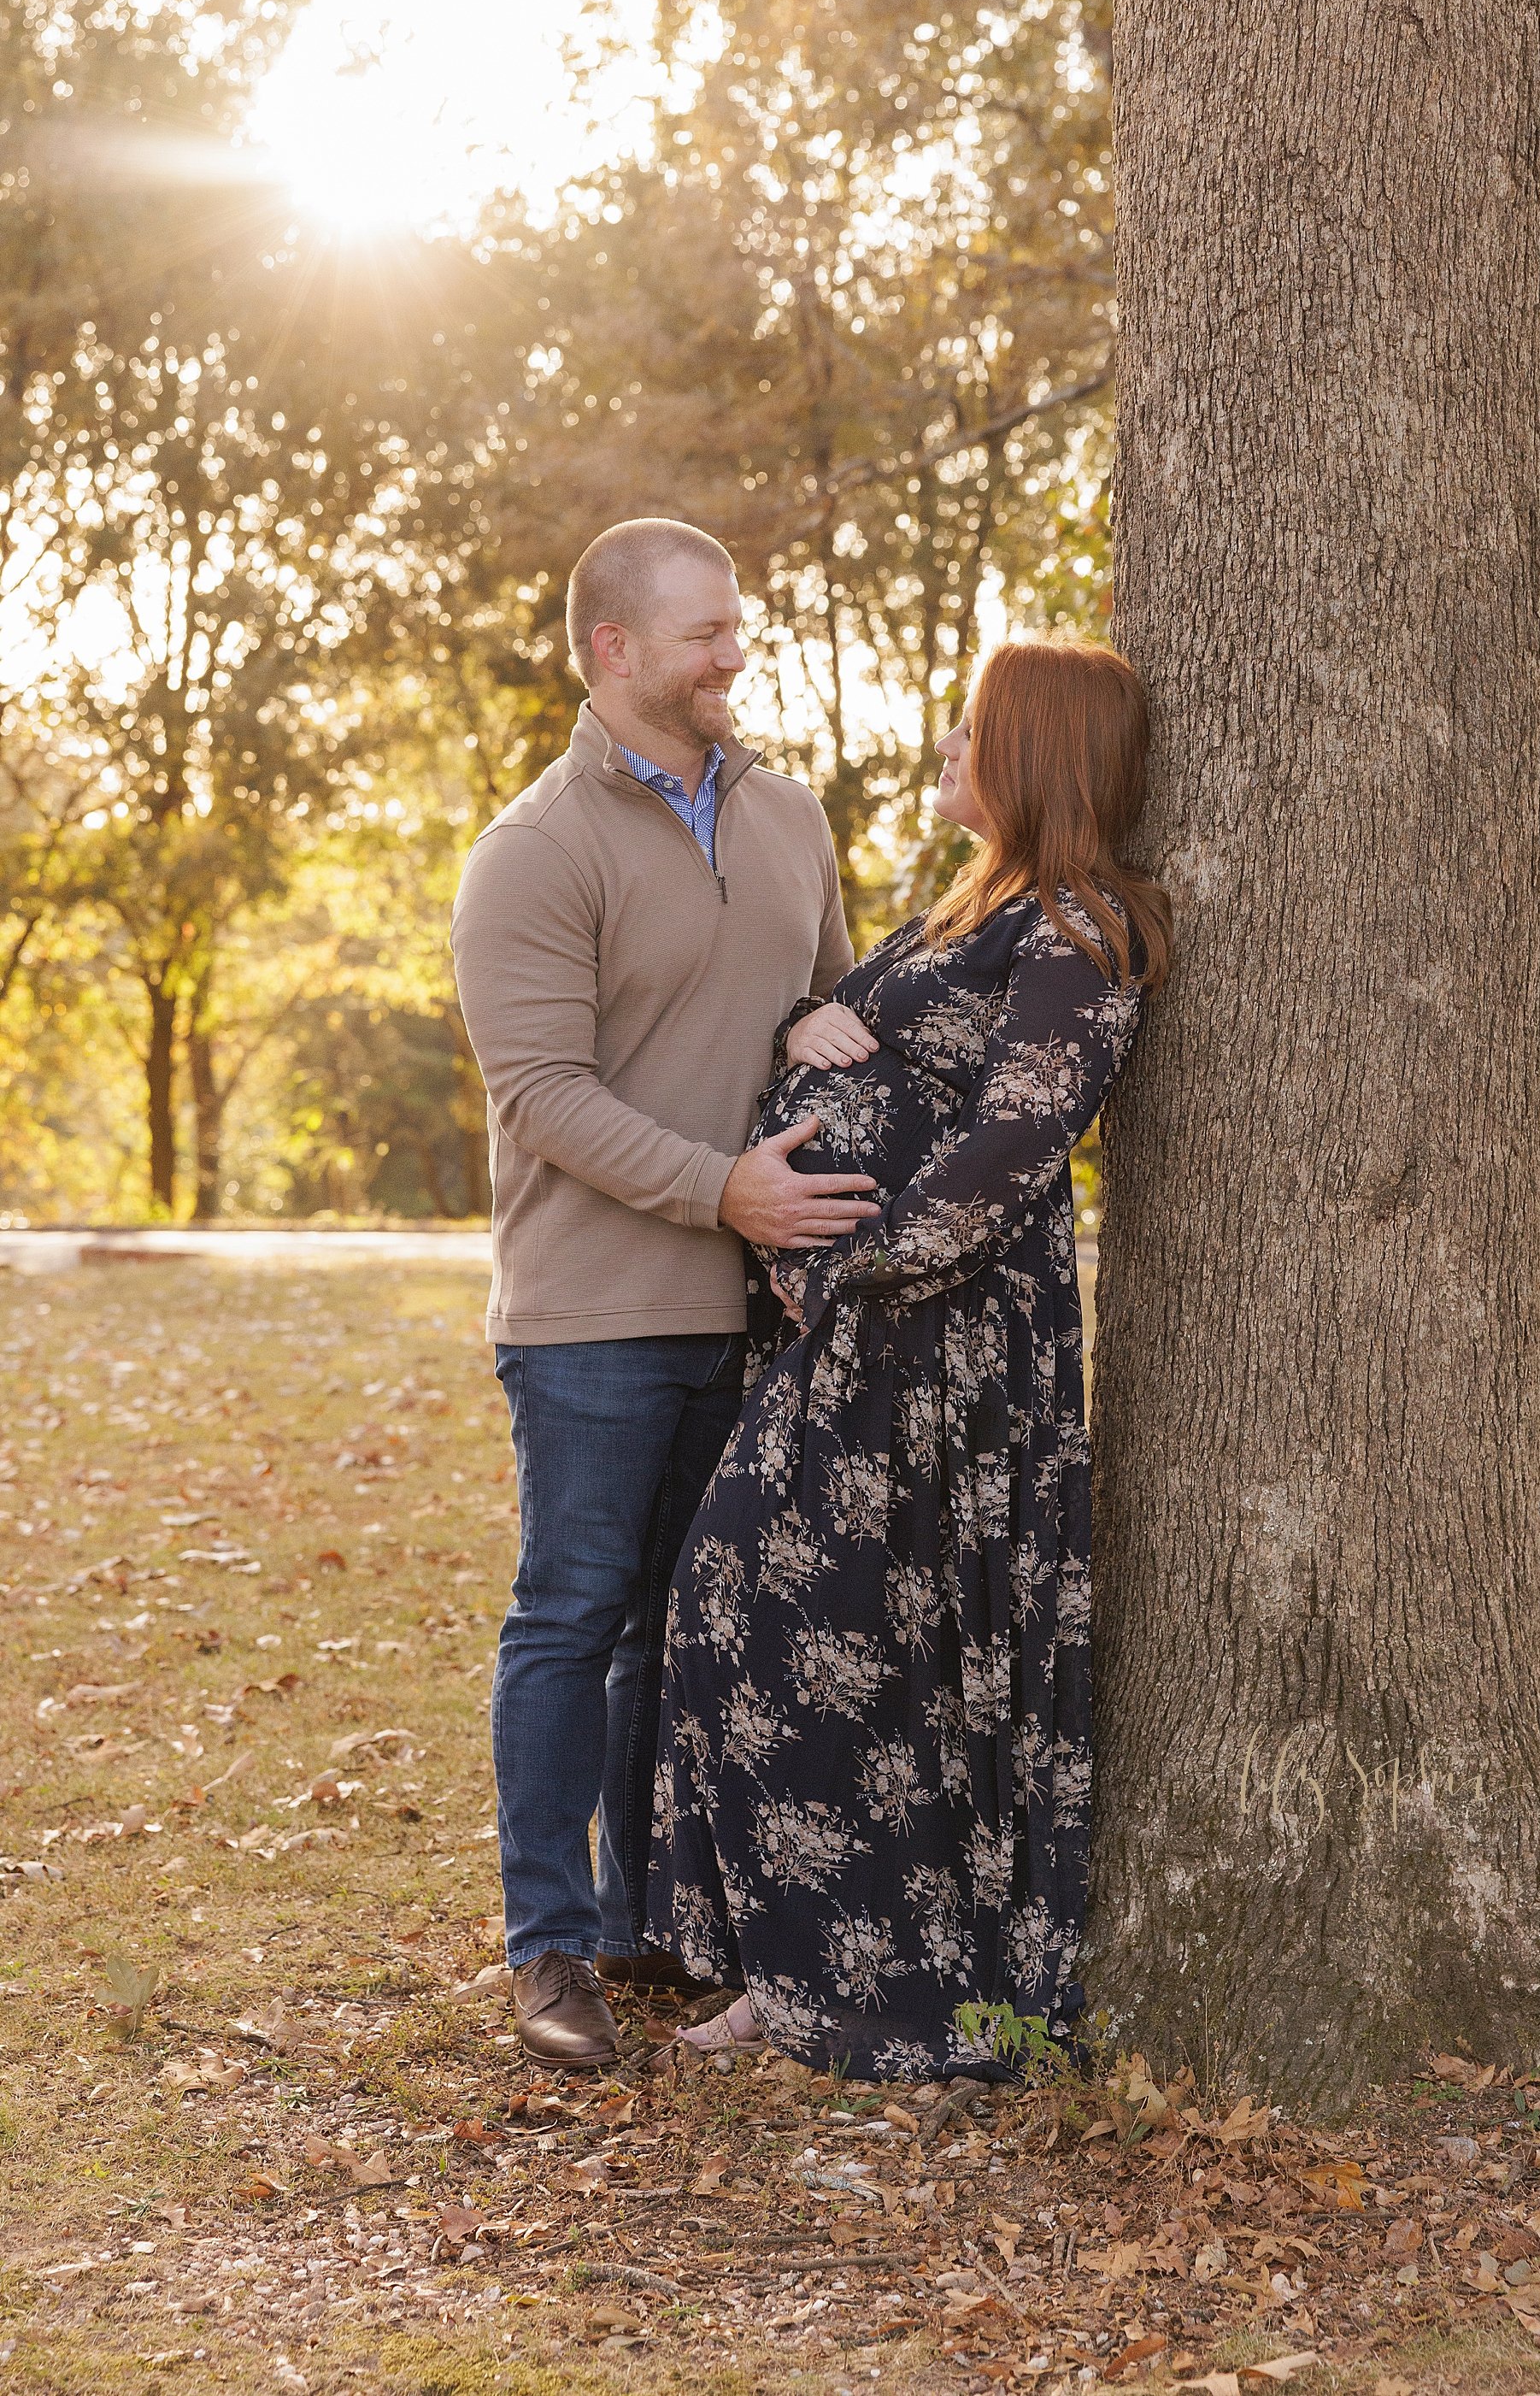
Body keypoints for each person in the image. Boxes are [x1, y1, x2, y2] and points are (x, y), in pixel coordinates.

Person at [645, 637, 1171, 2081]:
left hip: (944, 1348)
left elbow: (1014, 1145)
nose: (946, 743)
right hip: (864, 1335)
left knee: (852, 1641)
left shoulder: (1081, 929)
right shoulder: (971, 907)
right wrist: (808, 1022)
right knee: (746, 1605)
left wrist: (841, 1261)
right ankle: (792, 1957)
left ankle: (867, 1984)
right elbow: (868, 1047)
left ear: (1037, 754)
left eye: (973, 727)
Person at [452, 516, 876, 2074]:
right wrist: (721, 1186)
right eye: (705, 632)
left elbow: (825, 999)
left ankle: (644, 1916)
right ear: (612, 650)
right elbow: (545, 1095)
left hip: (750, 1311)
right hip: (591, 1314)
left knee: (683, 1631)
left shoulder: (787, 814)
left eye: (736, 625)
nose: (735, 653)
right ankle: (548, 1946)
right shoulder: (535, 851)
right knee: (571, 1617)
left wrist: (834, 1017)